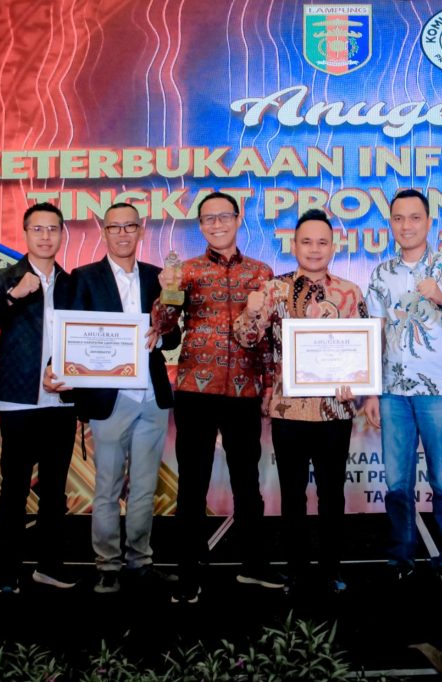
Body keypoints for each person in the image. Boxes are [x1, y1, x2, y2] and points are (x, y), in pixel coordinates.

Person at [44, 202, 180, 594]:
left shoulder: (158, 277)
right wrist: (56, 367)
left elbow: (173, 336)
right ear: (104, 232)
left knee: (144, 488)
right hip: (108, 398)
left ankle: (140, 561)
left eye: (130, 227)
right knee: (107, 487)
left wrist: (160, 335)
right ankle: (107, 564)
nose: (123, 234)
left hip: (151, 397)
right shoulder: (84, 278)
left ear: (141, 231)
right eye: (114, 227)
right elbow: (71, 332)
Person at [151, 191, 280, 604]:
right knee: (192, 485)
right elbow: (165, 329)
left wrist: (270, 385)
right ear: (201, 226)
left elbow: (268, 338)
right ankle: (189, 571)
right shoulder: (184, 271)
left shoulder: (262, 273)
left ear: (238, 219)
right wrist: (166, 294)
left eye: (224, 216)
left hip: (244, 390)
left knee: (247, 482)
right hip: (195, 389)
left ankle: (253, 565)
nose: (217, 224)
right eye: (209, 219)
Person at [234, 208, 368, 594]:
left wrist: (357, 383)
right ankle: (296, 570)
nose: (314, 249)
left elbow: (363, 349)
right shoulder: (273, 290)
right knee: (292, 495)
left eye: (322, 242)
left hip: (335, 410)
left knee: (331, 494)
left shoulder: (350, 292)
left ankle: (331, 570)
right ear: (293, 246)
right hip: (288, 409)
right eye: (306, 242)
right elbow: (246, 338)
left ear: (333, 247)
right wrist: (251, 310)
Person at [363, 189, 442, 586]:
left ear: (428, 222)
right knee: (397, 482)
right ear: (390, 223)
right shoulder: (381, 273)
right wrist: (371, 390)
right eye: (398, 218)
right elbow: (374, 334)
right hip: (393, 391)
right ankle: (401, 557)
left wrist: (441, 298)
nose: (406, 225)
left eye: (414, 218)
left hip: (439, 390)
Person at [0, 202, 77, 594]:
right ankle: (7, 572)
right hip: (17, 400)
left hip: (62, 401)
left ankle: (49, 566)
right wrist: (14, 296)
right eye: (38, 229)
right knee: (14, 489)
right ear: (26, 233)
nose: (46, 236)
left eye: (53, 229)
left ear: (62, 234)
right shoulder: (3, 277)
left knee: (54, 491)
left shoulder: (72, 283)